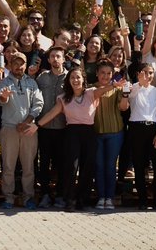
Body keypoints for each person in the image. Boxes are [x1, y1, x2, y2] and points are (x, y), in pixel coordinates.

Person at [34, 67, 113, 211]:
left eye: (78, 77)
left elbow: (103, 90)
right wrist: (37, 125)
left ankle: (82, 199)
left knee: (87, 167)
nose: (75, 80)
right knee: (71, 167)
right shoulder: (64, 98)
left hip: (89, 132)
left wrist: (114, 85)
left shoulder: (91, 93)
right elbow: (52, 113)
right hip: (71, 133)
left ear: (83, 79)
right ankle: (69, 199)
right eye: (72, 78)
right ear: (68, 81)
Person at [0, 51, 44, 209]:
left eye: (21, 63)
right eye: (15, 63)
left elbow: (38, 104)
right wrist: (4, 97)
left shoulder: (32, 83)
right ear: (10, 65)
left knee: (28, 166)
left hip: (28, 129)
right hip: (9, 129)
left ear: (25, 65)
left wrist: (27, 121)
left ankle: (28, 197)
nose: (18, 66)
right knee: (8, 166)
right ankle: (8, 197)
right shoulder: (4, 83)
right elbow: (1, 98)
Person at [126, 62, 156, 210]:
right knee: (139, 165)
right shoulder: (133, 88)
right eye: (144, 72)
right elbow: (130, 97)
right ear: (138, 73)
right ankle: (142, 199)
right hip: (136, 129)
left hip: (153, 129)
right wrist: (139, 83)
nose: (148, 76)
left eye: (150, 73)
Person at [91, 61, 131, 210]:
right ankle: (101, 197)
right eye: (102, 72)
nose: (105, 76)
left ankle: (110, 198)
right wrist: (113, 85)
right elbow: (96, 94)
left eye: (109, 73)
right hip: (96, 132)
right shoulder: (90, 87)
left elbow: (123, 107)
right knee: (99, 166)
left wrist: (125, 93)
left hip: (115, 132)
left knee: (110, 166)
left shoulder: (117, 89)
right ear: (97, 73)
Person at [34, 46, 68, 208]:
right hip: (44, 127)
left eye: (58, 56)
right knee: (44, 163)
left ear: (63, 59)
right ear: (48, 60)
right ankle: (45, 194)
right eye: (52, 56)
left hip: (63, 128)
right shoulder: (42, 78)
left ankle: (61, 195)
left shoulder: (69, 78)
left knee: (62, 164)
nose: (55, 59)